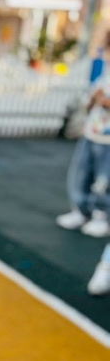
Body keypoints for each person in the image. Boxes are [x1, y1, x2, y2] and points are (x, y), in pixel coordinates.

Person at [57, 68, 110, 237]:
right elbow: (88, 100)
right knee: (81, 174)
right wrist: (94, 98)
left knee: (104, 180)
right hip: (91, 133)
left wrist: (103, 100)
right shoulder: (105, 75)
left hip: (108, 140)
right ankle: (81, 210)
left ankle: (102, 215)